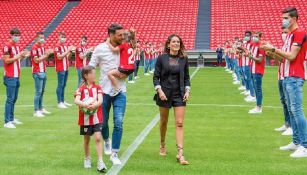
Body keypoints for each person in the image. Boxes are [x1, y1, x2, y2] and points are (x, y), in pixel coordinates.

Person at [262, 7, 307, 158]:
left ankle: (305, 145)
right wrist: (272, 52)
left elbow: (293, 56)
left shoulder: (299, 33)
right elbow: (283, 59)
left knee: (297, 110)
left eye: (286, 18)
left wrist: (274, 48)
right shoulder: (290, 36)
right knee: (292, 111)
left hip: (295, 76)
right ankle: (296, 141)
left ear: (294, 19)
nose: (283, 20)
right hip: (287, 75)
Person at [89, 23, 127, 165]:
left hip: (121, 91)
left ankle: (114, 153)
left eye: (123, 34)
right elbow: (91, 67)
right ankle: (107, 141)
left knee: (119, 122)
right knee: (103, 122)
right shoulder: (100, 49)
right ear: (111, 35)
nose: (122, 37)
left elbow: (131, 64)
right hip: (103, 92)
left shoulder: (124, 48)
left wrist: (126, 73)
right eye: (119, 35)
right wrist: (86, 87)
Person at [153, 34, 191, 165]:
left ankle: (180, 153)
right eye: (173, 42)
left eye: (178, 42)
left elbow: (186, 77)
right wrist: (159, 91)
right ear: (168, 44)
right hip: (164, 93)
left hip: (179, 94)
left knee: (179, 123)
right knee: (163, 121)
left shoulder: (183, 59)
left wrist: (187, 90)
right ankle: (162, 143)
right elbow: (156, 77)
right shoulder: (161, 58)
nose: (176, 44)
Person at [74, 65, 107, 172]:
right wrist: (85, 105)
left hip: (97, 117)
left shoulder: (98, 88)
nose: (94, 75)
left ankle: (100, 162)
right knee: (87, 139)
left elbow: (100, 100)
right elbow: (77, 100)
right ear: (86, 76)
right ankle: (87, 158)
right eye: (92, 73)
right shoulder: (81, 89)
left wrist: (95, 105)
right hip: (85, 119)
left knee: (98, 138)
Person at [2, 28, 29, 128]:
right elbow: (7, 60)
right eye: (16, 35)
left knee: (14, 98)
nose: (18, 37)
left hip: (16, 75)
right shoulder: (7, 46)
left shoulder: (16, 46)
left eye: (18, 35)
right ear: (11, 35)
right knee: (10, 99)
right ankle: (7, 121)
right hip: (10, 76)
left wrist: (23, 56)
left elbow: (16, 60)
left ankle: (11, 118)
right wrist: (19, 56)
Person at [269, 27, 292, 136]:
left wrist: (274, 51)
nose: (283, 34)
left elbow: (289, 59)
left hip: (287, 77)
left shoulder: (291, 46)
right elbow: (282, 62)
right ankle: (287, 124)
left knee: (289, 103)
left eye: (285, 32)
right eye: (282, 32)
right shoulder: (283, 47)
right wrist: (273, 55)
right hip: (281, 75)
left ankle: (292, 126)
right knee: (284, 102)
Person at [106, 29, 136, 95]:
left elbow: (114, 50)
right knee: (121, 77)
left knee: (109, 74)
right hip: (132, 68)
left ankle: (117, 89)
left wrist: (108, 43)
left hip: (125, 68)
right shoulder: (132, 45)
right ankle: (122, 87)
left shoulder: (124, 45)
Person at [31, 32, 53, 117]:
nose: (42, 39)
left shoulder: (42, 47)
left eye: (43, 37)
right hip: (37, 72)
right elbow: (36, 60)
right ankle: (36, 110)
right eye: (40, 38)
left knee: (42, 92)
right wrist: (46, 54)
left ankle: (40, 108)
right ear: (36, 38)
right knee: (38, 92)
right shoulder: (34, 48)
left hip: (43, 70)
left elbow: (44, 58)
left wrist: (47, 54)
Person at [54, 31, 75, 109]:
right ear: (58, 37)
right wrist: (68, 50)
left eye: (64, 37)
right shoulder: (57, 46)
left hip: (66, 67)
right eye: (62, 36)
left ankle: (62, 100)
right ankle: (59, 102)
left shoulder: (65, 45)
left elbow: (67, 57)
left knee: (64, 85)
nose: (63, 38)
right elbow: (59, 57)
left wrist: (71, 52)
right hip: (60, 68)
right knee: (60, 84)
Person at [248, 31, 266, 114]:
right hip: (253, 69)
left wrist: (251, 57)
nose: (254, 37)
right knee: (256, 88)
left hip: (258, 70)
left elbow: (260, 60)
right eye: (254, 36)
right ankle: (257, 105)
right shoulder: (253, 45)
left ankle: (259, 107)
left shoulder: (261, 46)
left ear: (260, 37)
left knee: (258, 89)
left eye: (256, 36)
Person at [242, 31, 256, 102]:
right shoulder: (246, 43)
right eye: (245, 35)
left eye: (248, 35)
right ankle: (250, 92)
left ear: (250, 36)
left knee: (249, 79)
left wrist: (244, 51)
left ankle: (252, 95)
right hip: (245, 62)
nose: (246, 36)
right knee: (247, 78)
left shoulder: (251, 43)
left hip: (249, 63)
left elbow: (250, 53)